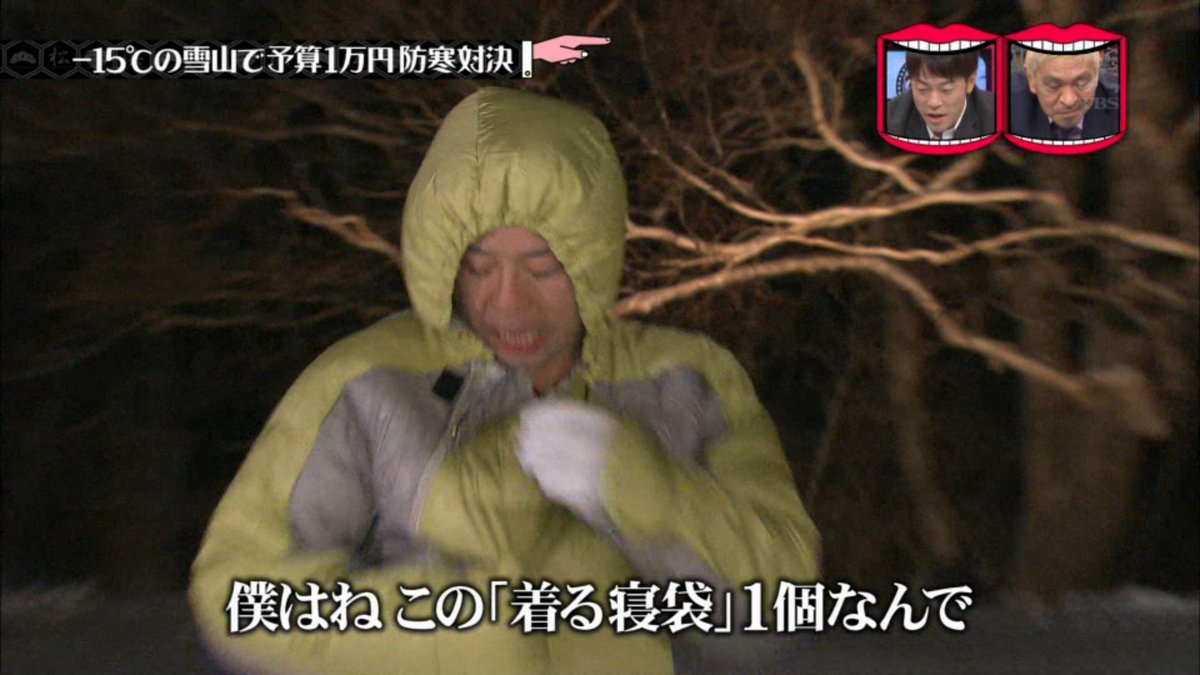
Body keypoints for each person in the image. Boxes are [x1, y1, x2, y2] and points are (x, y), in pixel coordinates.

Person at [189, 86, 821, 674]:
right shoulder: (370, 383)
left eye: (543, 269)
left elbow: (779, 610)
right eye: (479, 267)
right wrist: (450, 634)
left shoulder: (684, 380)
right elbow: (240, 596)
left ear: (594, 260)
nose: (508, 303)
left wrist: (648, 493)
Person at [1009, 48, 1121, 140]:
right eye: (1053, 86)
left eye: (1082, 83)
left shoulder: (1122, 104)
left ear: (1097, 73)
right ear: (1031, 79)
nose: (1069, 100)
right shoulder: (1006, 104)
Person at [887, 49, 996, 141]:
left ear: (970, 81)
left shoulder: (997, 117)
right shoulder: (889, 121)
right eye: (922, 89)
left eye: (946, 90)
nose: (934, 103)